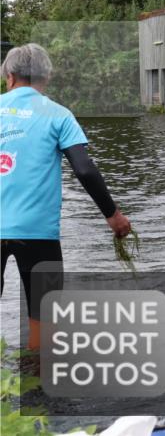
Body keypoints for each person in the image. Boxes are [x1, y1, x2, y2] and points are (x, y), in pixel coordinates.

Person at [0, 43, 132, 350]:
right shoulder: (58, 115)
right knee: (43, 322)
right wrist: (113, 215)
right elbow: (84, 169)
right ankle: (36, 374)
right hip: (38, 232)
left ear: (10, 77)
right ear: (46, 78)